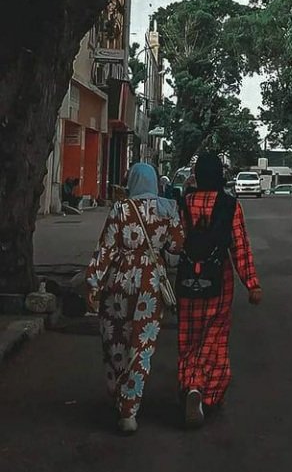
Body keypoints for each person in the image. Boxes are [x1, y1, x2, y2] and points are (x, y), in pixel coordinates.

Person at [86, 163, 184, 435]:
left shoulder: (120, 209)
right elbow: (177, 248)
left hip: (118, 282)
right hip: (151, 284)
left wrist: (92, 283)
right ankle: (130, 410)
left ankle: (117, 393)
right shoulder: (168, 209)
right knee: (141, 345)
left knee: (115, 338)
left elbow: (105, 249)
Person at [176, 151, 262, 428]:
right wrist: (252, 284)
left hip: (188, 282)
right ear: (220, 175)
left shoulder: (185, 202)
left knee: (189, 338)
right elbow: (239, 247)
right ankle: (207, 393)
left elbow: (175, 242)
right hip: (218, 283)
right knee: (214, 337)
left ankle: (190, 384)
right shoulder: (229, 205)